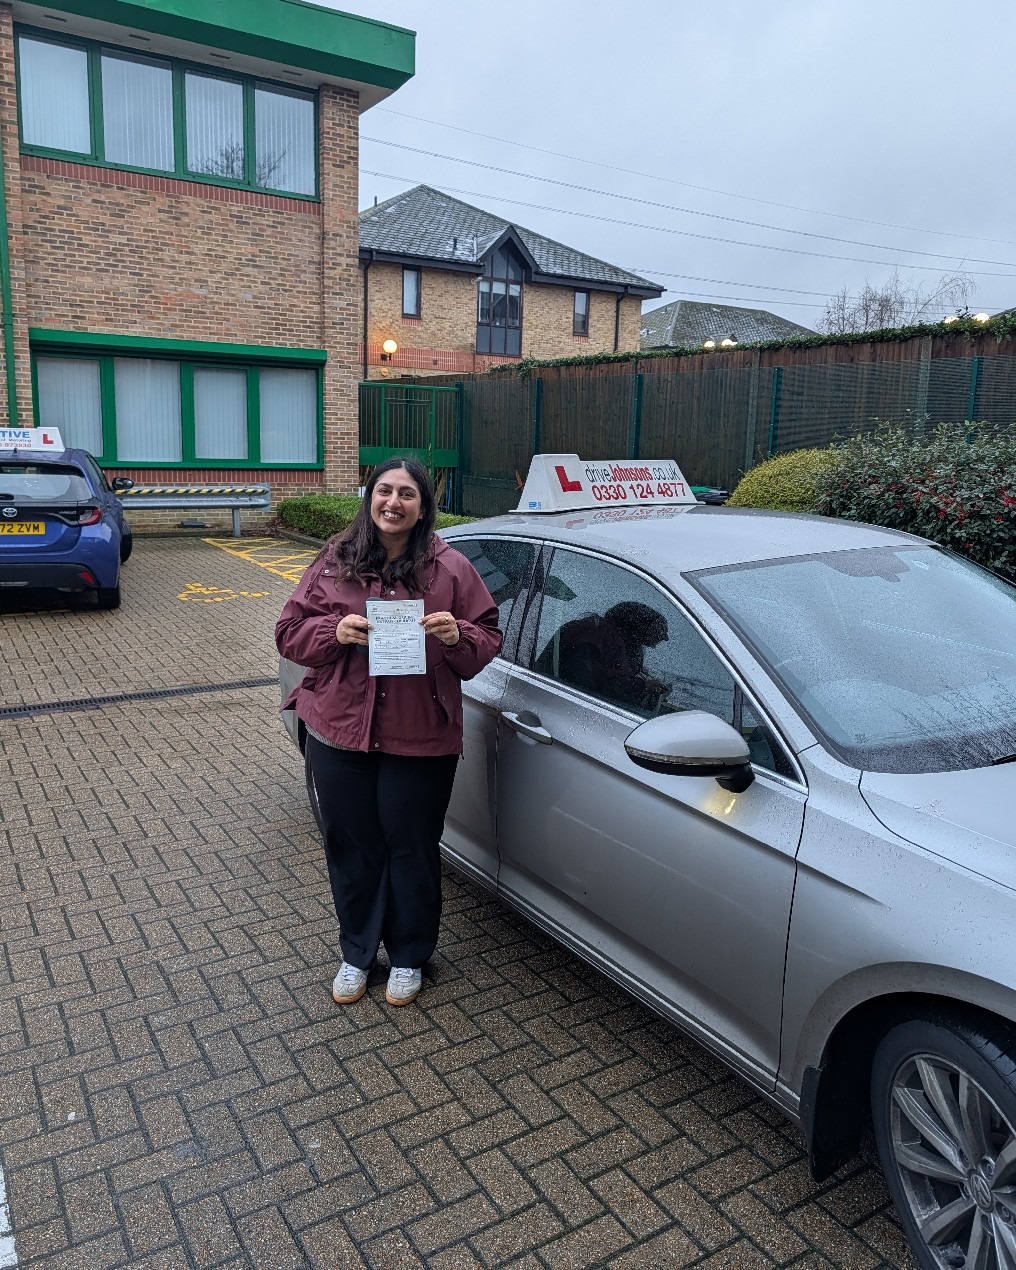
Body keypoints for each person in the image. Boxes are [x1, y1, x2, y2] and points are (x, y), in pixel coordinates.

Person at [276, 457, 502, 1008]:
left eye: (406, 494)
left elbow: (487, 642)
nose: (393, 503)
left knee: (411, 848)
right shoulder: (336, 559)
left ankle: (408, 956)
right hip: (339, 731)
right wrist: (334, 629)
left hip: (419, 736)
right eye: (384, 491)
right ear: (369, 497)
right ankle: (357, 953)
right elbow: (288, 632)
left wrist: (457, 634)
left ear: (423, 507)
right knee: (351, 847)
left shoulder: (450, 569)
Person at [535, 600, 669, 711]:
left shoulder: (616, 641)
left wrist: (644, 684)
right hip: (559, 707)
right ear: (639, 627)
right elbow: (592, 685)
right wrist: (642, 686)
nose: (664, 638)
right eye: (656, 630)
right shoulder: (597, 636)